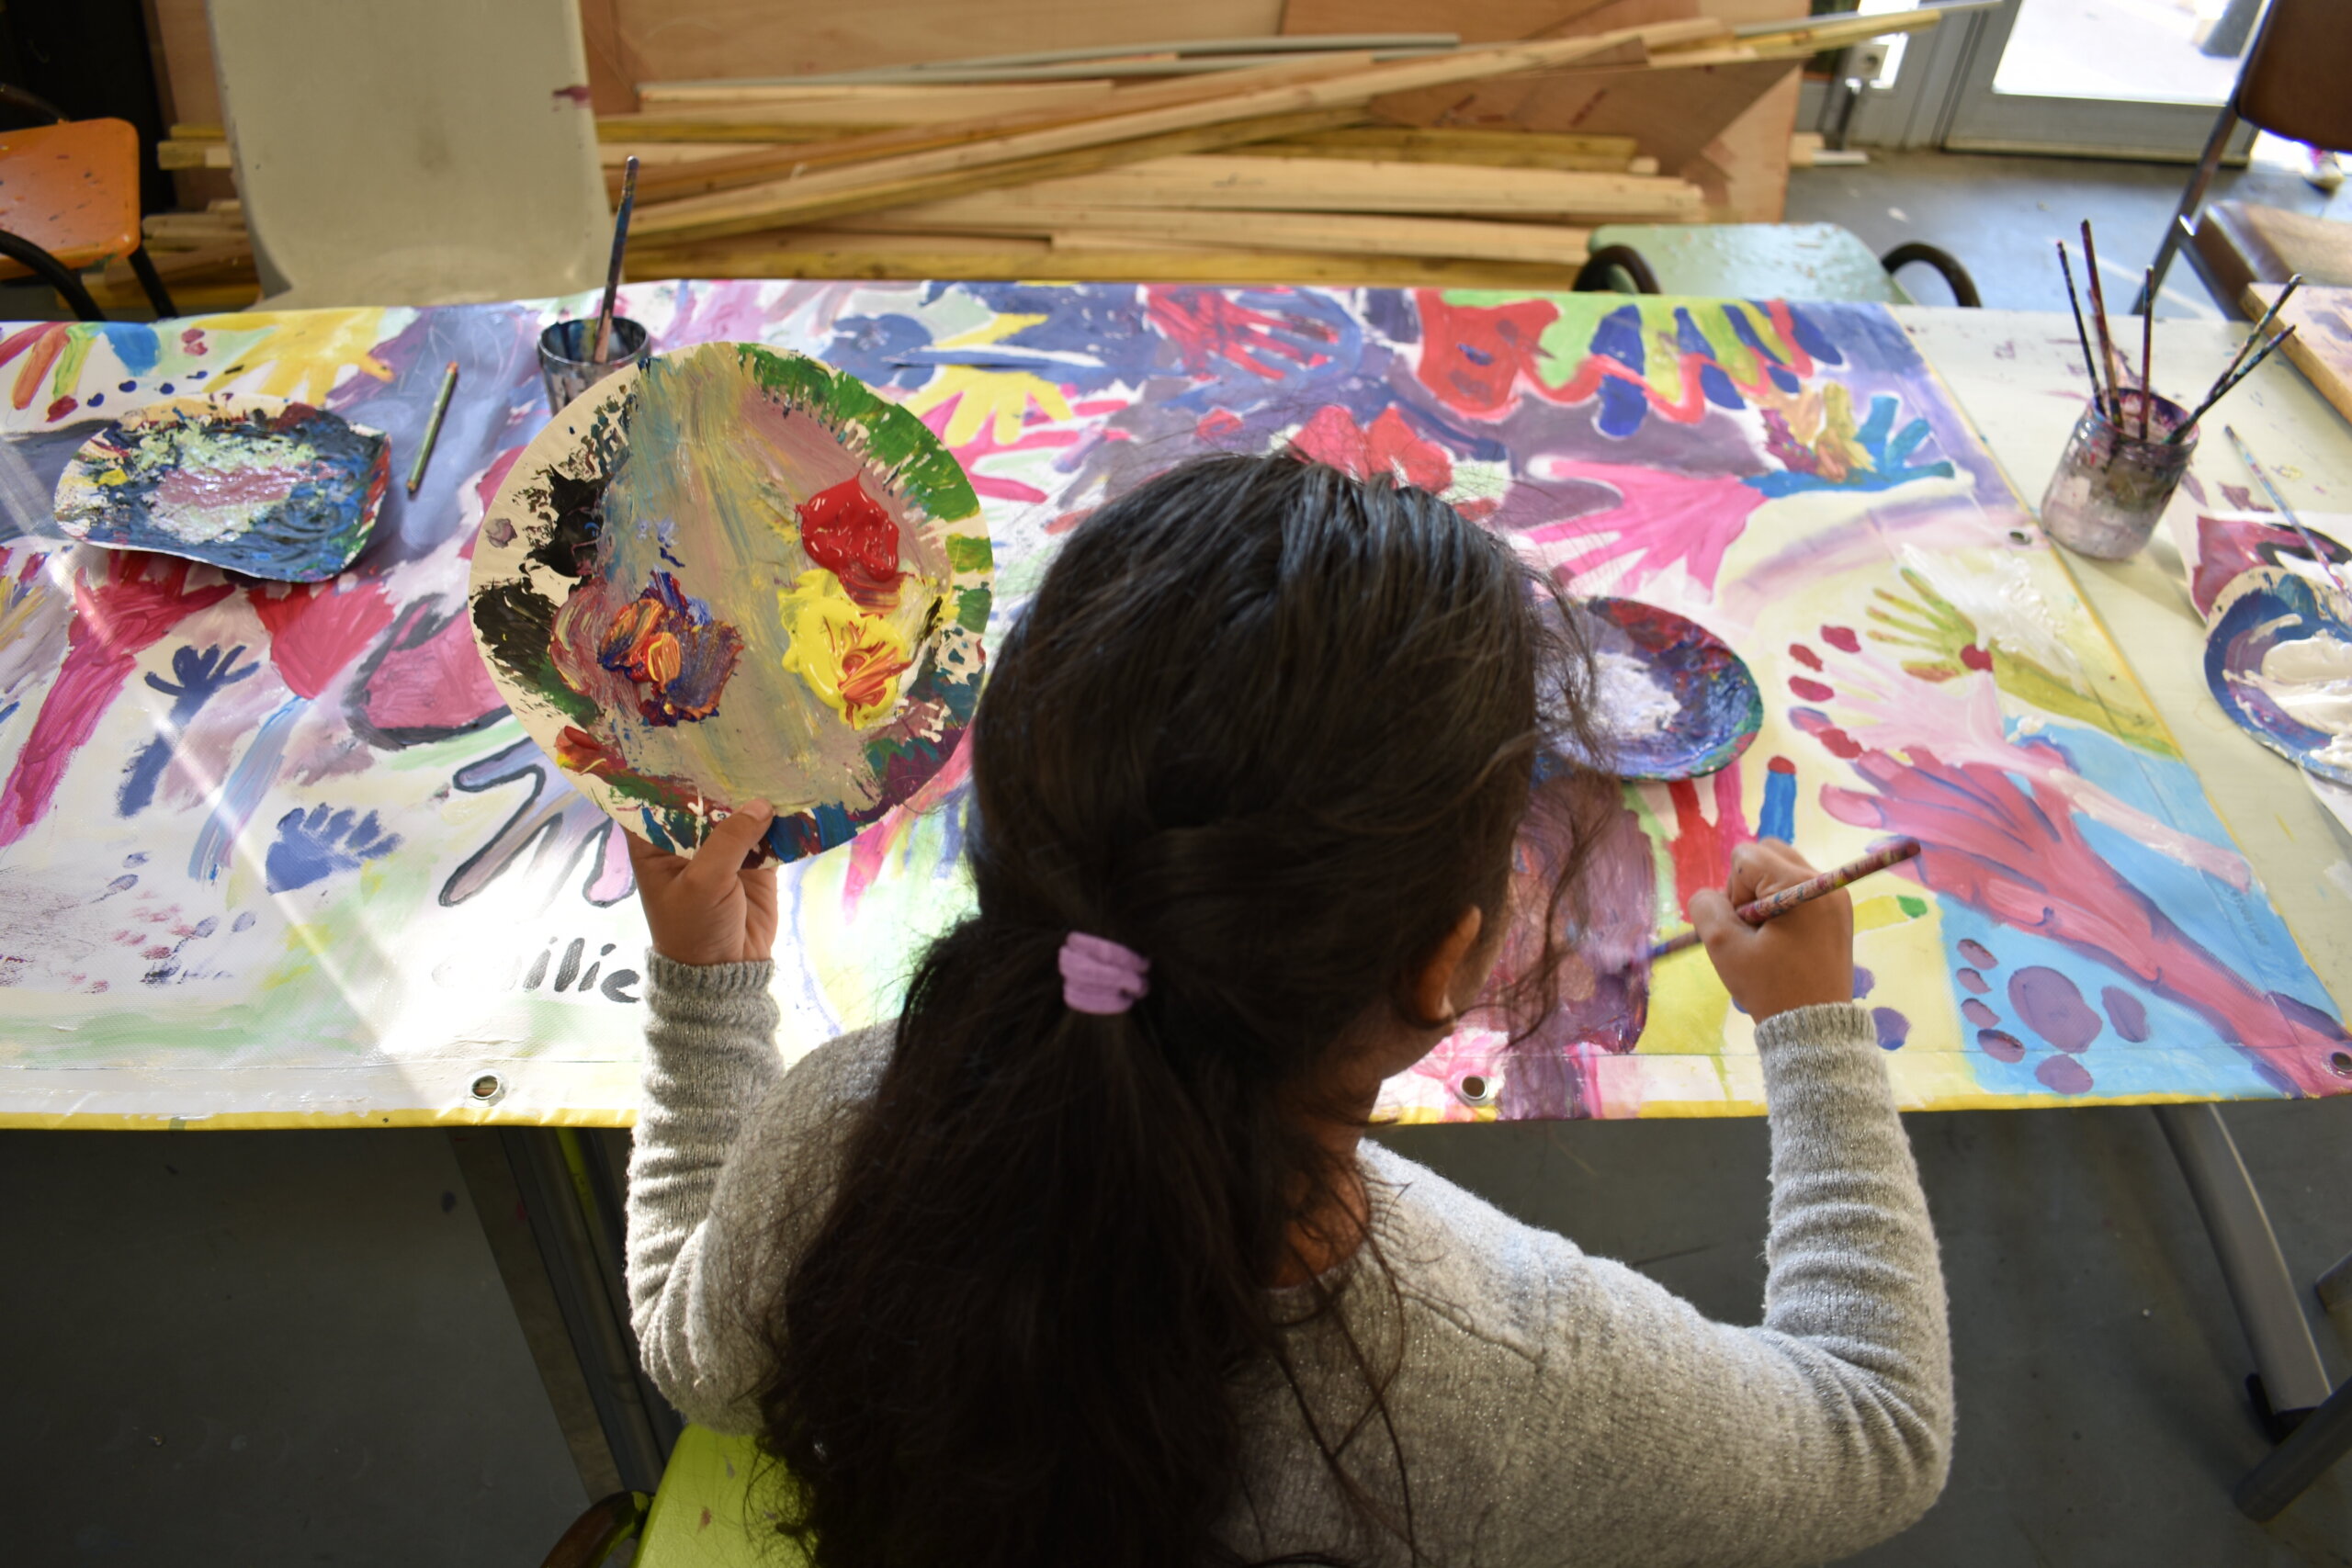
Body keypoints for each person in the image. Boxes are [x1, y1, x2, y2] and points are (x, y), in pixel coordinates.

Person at [622, 454, 1951, 1568]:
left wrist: (704, 994)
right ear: (1444, 965)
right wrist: (1814, 1030)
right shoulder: (1497, 1364)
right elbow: (1875, 1429)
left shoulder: (842, 1128)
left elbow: (700, 1356)